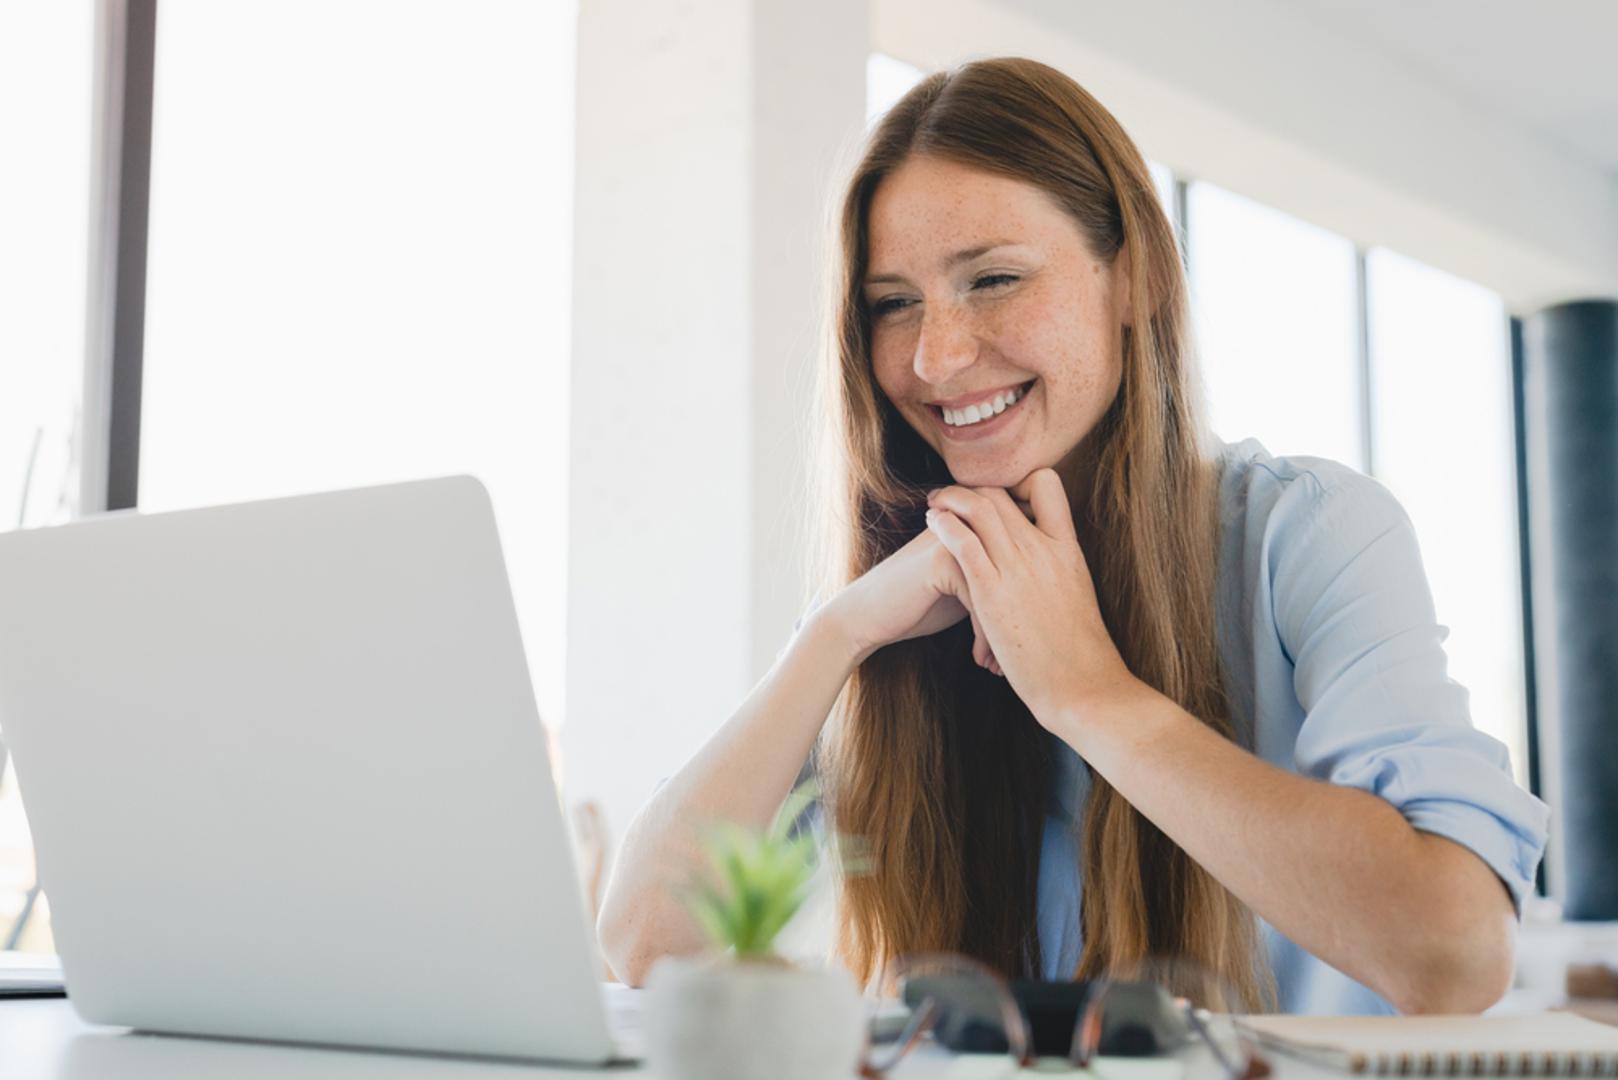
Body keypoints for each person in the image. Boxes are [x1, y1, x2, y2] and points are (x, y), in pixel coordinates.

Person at [595, 56, 1548, 1015]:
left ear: (1130, 279)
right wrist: (834, 636)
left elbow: (1456, 953)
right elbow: (642, 943)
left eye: (994, 279)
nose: (936, 357)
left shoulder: (1305, 535)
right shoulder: (899, 598)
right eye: (893, 303)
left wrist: (1089, 694)